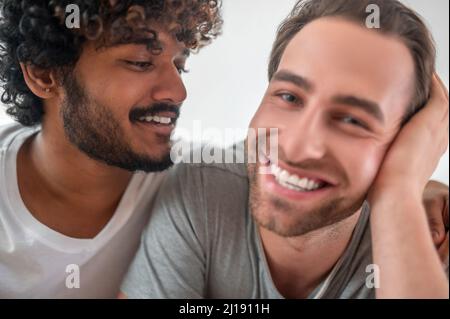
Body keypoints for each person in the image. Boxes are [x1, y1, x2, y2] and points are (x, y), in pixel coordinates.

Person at [120, 0, 450, 299]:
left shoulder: (430, 239)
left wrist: (398, 192)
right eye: (289, 96)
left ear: (404, 143)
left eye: (352, 120)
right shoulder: (203, 189)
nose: (296, 146)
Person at [0, 0, 222, 298]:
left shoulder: (201, 183)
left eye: (180, 65)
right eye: (141, 62)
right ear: (44, 74)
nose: (178, 92)